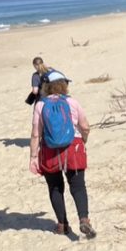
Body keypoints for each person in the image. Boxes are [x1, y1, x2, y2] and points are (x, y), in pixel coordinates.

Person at [29, 71, 96, 238]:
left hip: (49, 150)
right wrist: (83, 140)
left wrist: (33, 157)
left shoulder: (40, 105)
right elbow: (85, 126)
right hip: (73, 147)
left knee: (55, 187)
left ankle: (62, 225)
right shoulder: (72, 102)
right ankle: (84, 220)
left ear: (46, 86)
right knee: (78, 186)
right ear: (64, 85)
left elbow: (36, 134)